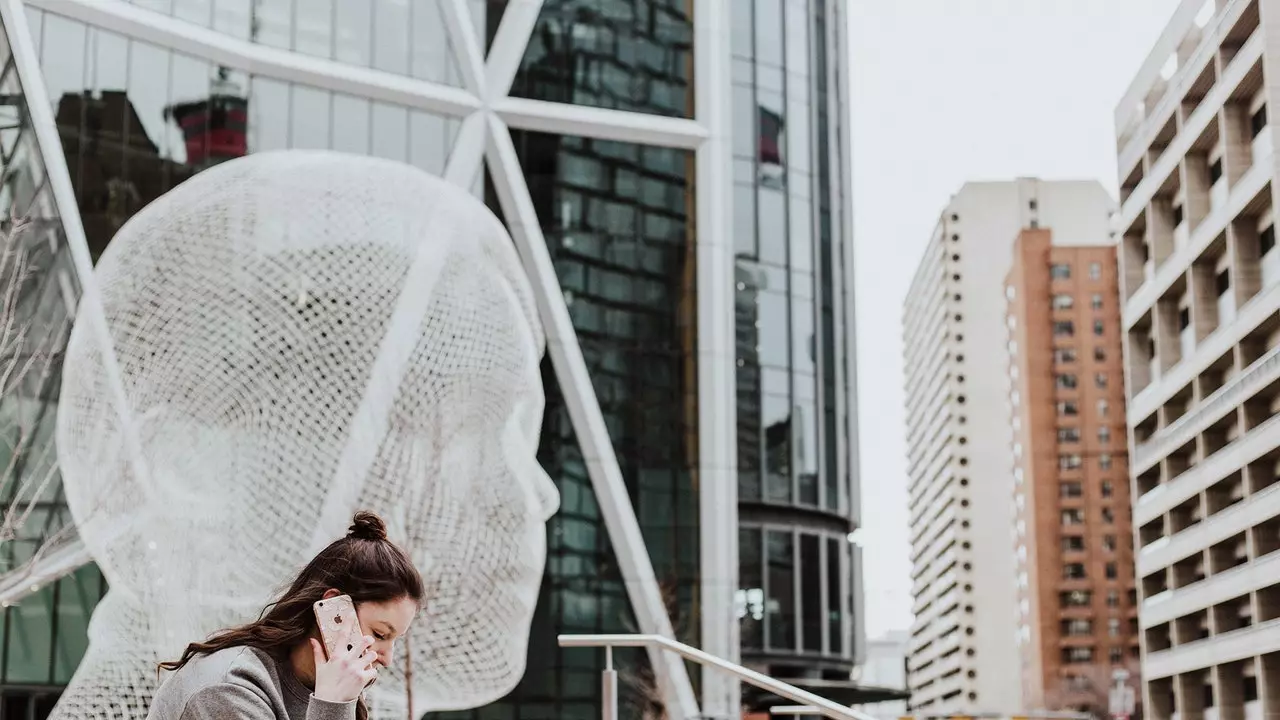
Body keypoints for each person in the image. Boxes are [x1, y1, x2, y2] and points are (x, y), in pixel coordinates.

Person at [146, 511, 424, 720]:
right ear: (335, 608)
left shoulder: (325, 686)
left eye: (394, 640)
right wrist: (332, 708)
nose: (387, 658)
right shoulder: (227, 689)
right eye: (379, 634)